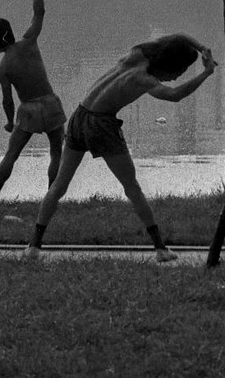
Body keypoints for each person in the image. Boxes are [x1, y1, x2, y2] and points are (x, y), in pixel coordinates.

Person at [24, 34, 217, 262]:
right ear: (169, 67)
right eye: (179, 72)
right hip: (101, 124)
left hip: (80, 115)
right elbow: (173, 95)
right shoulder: (144, 79)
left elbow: (175, 37)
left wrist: (201, 47)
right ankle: (160, 249)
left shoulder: (137, 52)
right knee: (131, 186)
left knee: (59, 184)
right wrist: (206, 73)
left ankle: (33, 246)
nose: (176, 78)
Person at [0, 0, 66, 202]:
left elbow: (7, 100)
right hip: (50, 104)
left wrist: (10, 121)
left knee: (12, 154)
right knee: (56, 151)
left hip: (28, 110)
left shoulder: (3, 67)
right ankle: (51, 197)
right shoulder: (30, 42)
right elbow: (39, 11)